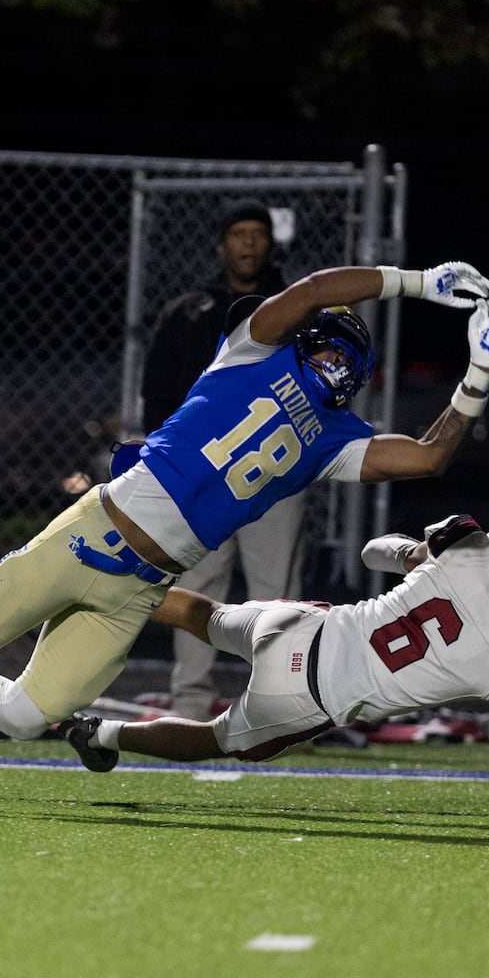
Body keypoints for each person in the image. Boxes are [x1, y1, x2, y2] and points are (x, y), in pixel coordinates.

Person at [0, 260, 489, 752]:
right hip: (95, 535)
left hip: (139, 587)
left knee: (26, 715)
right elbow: (313, 290)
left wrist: (477, 372)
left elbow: (428, 455)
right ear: (304, 342)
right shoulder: (251, 346)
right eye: (329, 342)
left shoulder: (332, 438)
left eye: (351, 351)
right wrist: (416, 284)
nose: (336, 355)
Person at [61, 512, 489, 828]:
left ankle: (94, 590)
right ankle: (103, 734)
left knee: (207, 614)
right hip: (307, 696)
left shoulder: (468, 546)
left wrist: (419, 552)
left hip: (300, 625)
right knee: (218, 739)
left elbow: (373, 552)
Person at [140, 198, 306, 720]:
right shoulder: (191, 312)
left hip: (275, 470)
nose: (250, 242)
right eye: (239, 233)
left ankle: (281, 702)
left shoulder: (299, 307)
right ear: (222, 243)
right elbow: (157, 394)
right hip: (202, 475)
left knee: (276, 593)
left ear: (270, 241)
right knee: (196, 587)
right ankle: (190, 702)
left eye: (258, 232)